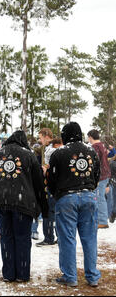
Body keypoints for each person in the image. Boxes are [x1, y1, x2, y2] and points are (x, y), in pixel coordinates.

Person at [0, 130, 48, 283]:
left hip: (1, 201)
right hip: (23, 202)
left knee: (6, 236)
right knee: (22, 237)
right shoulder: (28, 155)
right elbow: (38, 182)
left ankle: (8, 273)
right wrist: (43, 204)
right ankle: (22, 273)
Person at [47, 122, 101, 287]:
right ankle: (92, 276)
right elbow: (97, 174)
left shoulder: (59, 153)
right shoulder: (91, 151)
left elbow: (51, 178)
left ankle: (70, 276)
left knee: (67, 238)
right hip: (89, 196)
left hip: (67, 198)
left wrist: (57, 194)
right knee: (90, 238)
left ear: (65, 135)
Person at [36, 129, 58, 247]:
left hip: (51, 184)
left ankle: (49, 237)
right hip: (53, 184)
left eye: (41, 137)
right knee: (54, 211)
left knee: (49, 211)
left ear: (46, 136)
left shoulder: (51, 149)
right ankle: (55, 236)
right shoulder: (49, 148)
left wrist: (46, 169)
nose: (40, 140)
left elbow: (51, 167)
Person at [88, 129, 111, 229]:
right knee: (101, 198)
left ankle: (102, 220)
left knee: (100, 198)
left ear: (90, 137)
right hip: (105, 174)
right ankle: (101, 219)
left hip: (100, 176)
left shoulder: (95, 147)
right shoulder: (102, 145)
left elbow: (95, 163)